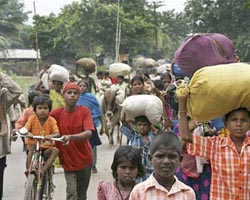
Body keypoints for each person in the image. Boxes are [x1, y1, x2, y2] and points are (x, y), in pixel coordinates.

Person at [178, 93, 250, 199]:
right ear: (226, 124)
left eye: (243, 120)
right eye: (234, 120)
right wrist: (182, 103)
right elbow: (185, 136)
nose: (238, 124)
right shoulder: (215, 145)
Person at [50, 82, 94, 200]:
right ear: (63, 95)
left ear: (79, 96)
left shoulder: (84, 111)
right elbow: (43, 121)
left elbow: (88, 132)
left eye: (75, 93)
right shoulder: (56, 113)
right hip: (68, 161)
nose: (72, 95)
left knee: (81, 194)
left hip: (85, 159)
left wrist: (70, 137)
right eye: (69, 93)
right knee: (72, 193)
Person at [129, 132, 196, 199]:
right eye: (160, 156)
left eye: (172, 156)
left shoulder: (187, 194)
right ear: (150, 158)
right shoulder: (139, 192)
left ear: (180, 159)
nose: (166, 161)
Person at [23, 96, 60, 175]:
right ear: (35, 110)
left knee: (55, 150)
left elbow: (57, 133)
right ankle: (28, 169)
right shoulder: (32, 118)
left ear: (49, 110)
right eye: (39, 108)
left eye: (45, 108)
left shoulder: (51, 120)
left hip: (46, 147)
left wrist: (51, 136)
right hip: (34, 146)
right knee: (31, 148)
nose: (42, 110)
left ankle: (43, 170)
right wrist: (28, 133)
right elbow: (26, 128)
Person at [77, 79, 102, 173]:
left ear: (87, 88)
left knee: (92, 146)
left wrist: (103, 125)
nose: (82, 88)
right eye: (80, 86)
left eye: (84, 86)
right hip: (78, 125)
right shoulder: (75, 97)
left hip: (90, 124)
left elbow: (98, 111)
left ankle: (93, 164)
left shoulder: (91, 97)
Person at [121, 115, 154, 182]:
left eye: (145, 125)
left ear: (149, 126)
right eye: (139, 125)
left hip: (151, 172)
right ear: (135, 126)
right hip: (137, 173)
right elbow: (123, 120)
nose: (142, 127)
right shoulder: (133, 136)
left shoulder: (154, 137)